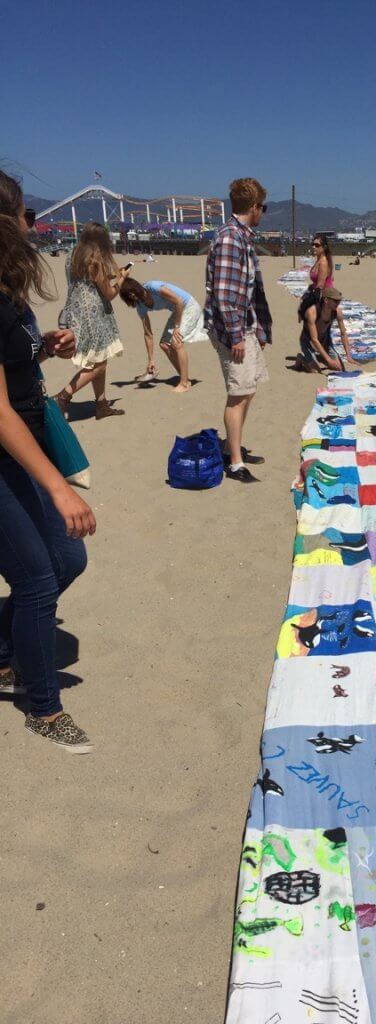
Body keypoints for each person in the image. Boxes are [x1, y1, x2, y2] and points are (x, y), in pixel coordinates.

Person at [0, 170, 97, 751]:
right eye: (24, 216)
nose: (31, 226)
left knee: (67, 559)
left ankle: (9, 649)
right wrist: (60, 488)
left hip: (24, 446)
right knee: (36, 576)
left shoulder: (6, 288)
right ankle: (42, 705)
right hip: (8, 452)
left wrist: (42, 346)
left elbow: (11, 358)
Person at [204, 177, 272, 484]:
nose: (263, 213)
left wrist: (257, 329)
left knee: (248, 389)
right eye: (263, 208)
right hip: (232, 329)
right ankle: (234, 462)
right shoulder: (232, 238)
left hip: (244, 326)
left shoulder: (241, 236)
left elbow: (245, 291)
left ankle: (235, 448)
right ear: (254, 207)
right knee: (238, 393)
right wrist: (235, 336)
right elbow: (224, 294)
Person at [56, 223, 128, 419]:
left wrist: (113, 274)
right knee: (98, 365)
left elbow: (88, 279)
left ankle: (101, 405)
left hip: (76, 312)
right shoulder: (95, 260)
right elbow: (110, 293)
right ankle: (62, 397)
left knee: (98, 358)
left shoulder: (73, 254)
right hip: (93, 315)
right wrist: (122, 280)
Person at [119, 277, 206, 391]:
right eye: (128, 295)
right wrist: (151, 360)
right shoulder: (140, 307)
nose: (132, 295)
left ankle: (184, 384)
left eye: (132, 291)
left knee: (176, 342)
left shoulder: (153, 287)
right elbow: (148, 334)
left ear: (137, 286)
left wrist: (177, 327)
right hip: (178, 311)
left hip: (189, 306)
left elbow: (179, 301)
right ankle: (185, 378)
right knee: (164, 344)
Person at [293, 287, 354, 373]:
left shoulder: (337, 312)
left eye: (339, 301)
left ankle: (319, 358)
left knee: (339, 368)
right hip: (308, 341)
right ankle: (301, 358)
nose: (338, 303)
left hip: (325, 340)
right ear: (326, 300)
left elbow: (343, 333)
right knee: (315, 371)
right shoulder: (312, 312)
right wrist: (329, 360)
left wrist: (348, 355)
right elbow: (314, 339)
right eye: (335, 301)